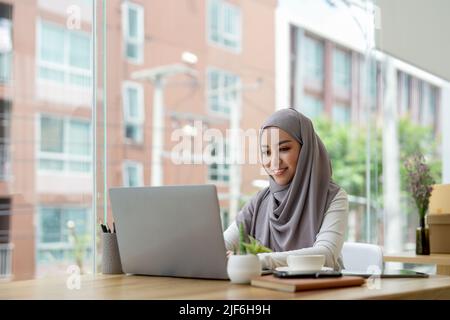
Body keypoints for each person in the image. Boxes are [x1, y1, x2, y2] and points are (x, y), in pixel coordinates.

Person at [223, 108, 348, 271]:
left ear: (305, 150)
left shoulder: (333, 197)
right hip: (270, 292)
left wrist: (258, 261)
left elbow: (326, 255)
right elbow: (221, 245)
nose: (274, 162)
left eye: (284, 149)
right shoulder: (260, 201)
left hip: (321, 291)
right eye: (267, 152)